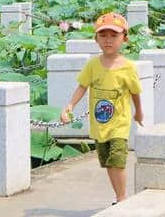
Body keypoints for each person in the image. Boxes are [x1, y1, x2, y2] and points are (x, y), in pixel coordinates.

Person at [60, 12, 143, 206]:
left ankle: (123, 199)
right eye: (103, 35)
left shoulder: (128, 67)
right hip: (99, 125)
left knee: (117, 160)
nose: (108, 40)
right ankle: (118, 196)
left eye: (114, 36)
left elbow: (135, 93)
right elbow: (82, 86)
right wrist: (70, 106)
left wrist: (139, 112)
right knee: (107, 162)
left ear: (125, 38)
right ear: (96, 39)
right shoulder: (92, 65)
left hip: (119, 125)